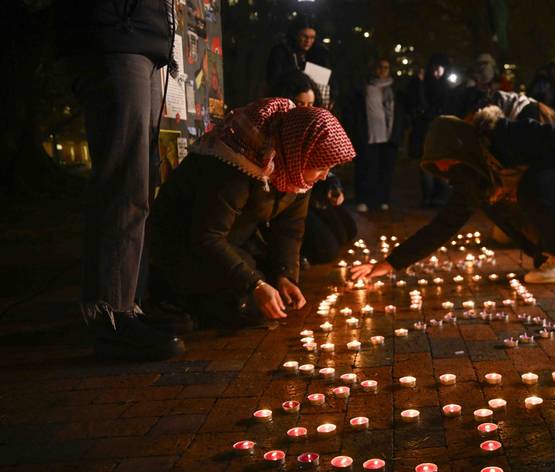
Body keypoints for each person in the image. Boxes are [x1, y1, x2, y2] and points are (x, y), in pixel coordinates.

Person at [351, 107, 555, 285]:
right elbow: (444, 225)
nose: (445, 171)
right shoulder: (475, 176)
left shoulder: (506, 135)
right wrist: (390, 264)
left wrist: (528, 175)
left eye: (448, 162)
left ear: (460, 149)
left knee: (536, 195)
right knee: (545, 255)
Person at [149, 98, 355, 326]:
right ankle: (175, 303)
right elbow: (207, 236)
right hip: (183, 245)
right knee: (244, 304)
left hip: (232, 240)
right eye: (320, 168)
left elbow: (290, 228)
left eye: (329, 169)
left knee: (274, 289)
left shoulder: (294, 169)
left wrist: (285, 275)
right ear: (300, 154)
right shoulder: (235, 163)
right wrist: (255, 283)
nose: (325, 176)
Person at [57, 0, 185, 360]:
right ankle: (110, 313)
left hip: (143, 39)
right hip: (116, 34)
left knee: (141, 183)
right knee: (124, 181)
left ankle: (128, 304)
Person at [269, 71, 357, 264]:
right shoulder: (276, 140)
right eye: (301, 104)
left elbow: (323, 166)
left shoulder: (312, 131)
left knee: (348, 230)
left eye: (311, 105)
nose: (306, 110)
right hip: (286, 206)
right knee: (326, 248)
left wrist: (333, 186)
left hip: (309, 195)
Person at [347, 58, 406, 212]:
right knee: (366, 168)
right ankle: (363, 199)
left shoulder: (394, 89)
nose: (382, 70)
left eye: (386, 67)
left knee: (385, 170)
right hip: (369, 135)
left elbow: (401, 112)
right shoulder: (364, 88)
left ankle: (382, 199)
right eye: (379, 67)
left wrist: (399, 133)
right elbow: (354, 111)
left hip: (389, 136)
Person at [408, 53, 457, 207]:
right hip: (425, 131)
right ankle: (427, 197)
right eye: (434, 69)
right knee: (426, 165)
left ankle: (440, 197)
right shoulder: (424, 85)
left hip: (442, 131)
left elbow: (449, 106)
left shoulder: (447, 88)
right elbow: (419, 104)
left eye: (439, 69)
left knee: (441, 165)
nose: (436, 73)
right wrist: (420, 84)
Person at [265, 16, 333, 109]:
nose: (308, 41)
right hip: (285, 103)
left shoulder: (319, 54)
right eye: (304, 36)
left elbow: (328, 81)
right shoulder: (280, 52)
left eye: (312, 37)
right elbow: (273, 80)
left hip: (313, 104)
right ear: (295, 34)